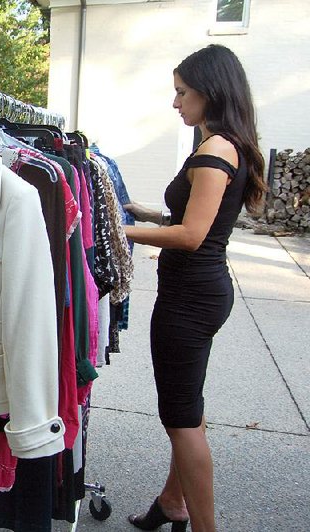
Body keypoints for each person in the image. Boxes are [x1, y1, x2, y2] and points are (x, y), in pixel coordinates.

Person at [123, 44, 266, 532]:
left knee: (181, 420)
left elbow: (191, 235)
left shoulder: (215, 150)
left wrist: (118, 231)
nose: (176, 102)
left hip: (189, 298)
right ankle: (172, 502)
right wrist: (145, 212)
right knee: (188, 408)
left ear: (211, 92)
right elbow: (192, 219)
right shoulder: (225, 146)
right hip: (203, 292)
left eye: (182, 93)